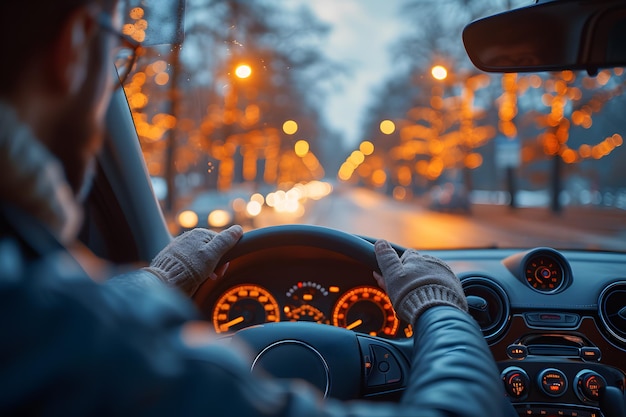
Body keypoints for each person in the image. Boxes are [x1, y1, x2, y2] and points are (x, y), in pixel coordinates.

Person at [0, 0, 514, 415]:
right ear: (71, 48)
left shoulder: (35, 309)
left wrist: (156, 278)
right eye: (120, 48)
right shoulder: (78, 341)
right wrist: (441, 309)